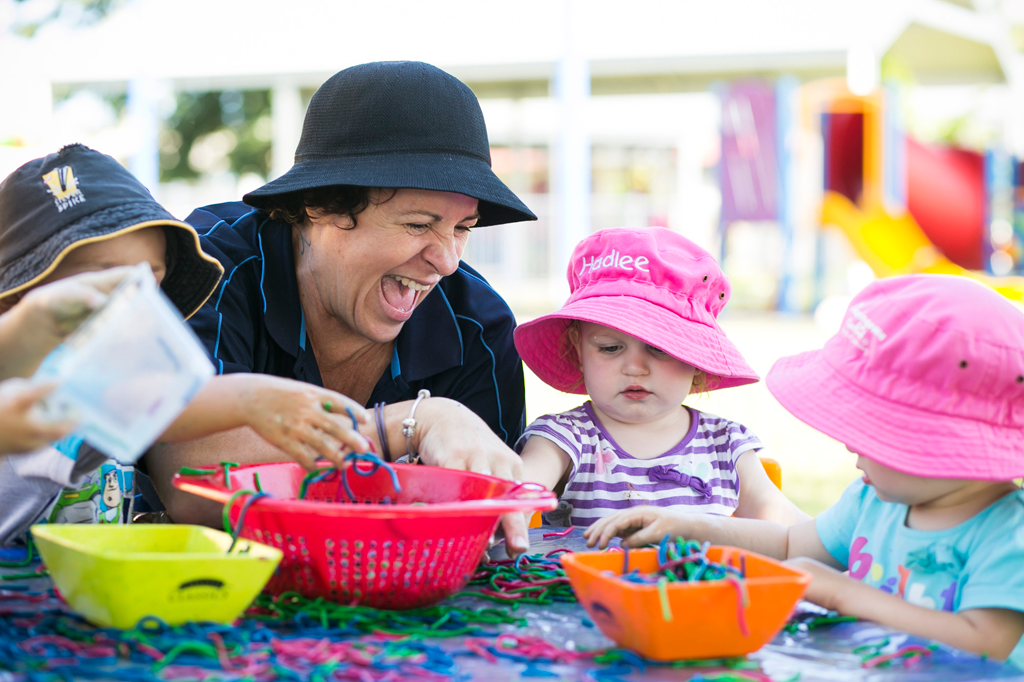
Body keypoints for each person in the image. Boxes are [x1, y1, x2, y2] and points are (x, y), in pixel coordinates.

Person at [146, 61, 539, 554]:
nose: (446, 261)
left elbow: (489, 526)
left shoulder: (479, 325)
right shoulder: (209, 266)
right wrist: (406, 425)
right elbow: (188, 480)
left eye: (462, 228)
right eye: (419, 225)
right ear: (321, 206)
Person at [584, 275, 1024, 668]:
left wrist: (842, 593)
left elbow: (988, 643)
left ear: (943, 444)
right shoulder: (872, 499)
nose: (849, 443)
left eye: (872, 431)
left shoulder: (1008, 532)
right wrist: (691, 526)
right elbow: (791, 542)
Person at [0, 144, 371, 544]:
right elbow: (169, 406)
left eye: (149, 284)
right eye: (105, 283)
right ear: (16, 300)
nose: (132, 308)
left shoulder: (107, 378)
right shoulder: (35, 385)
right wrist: (252, 397)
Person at [514, 227, 808, 527]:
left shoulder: (726, 445)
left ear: (697, 357)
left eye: (660, 348)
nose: (635, 367)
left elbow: (787, 526)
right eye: (610, 347)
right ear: (578, 349)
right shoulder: (565, 438)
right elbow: (516, 496)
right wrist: (510, 512)